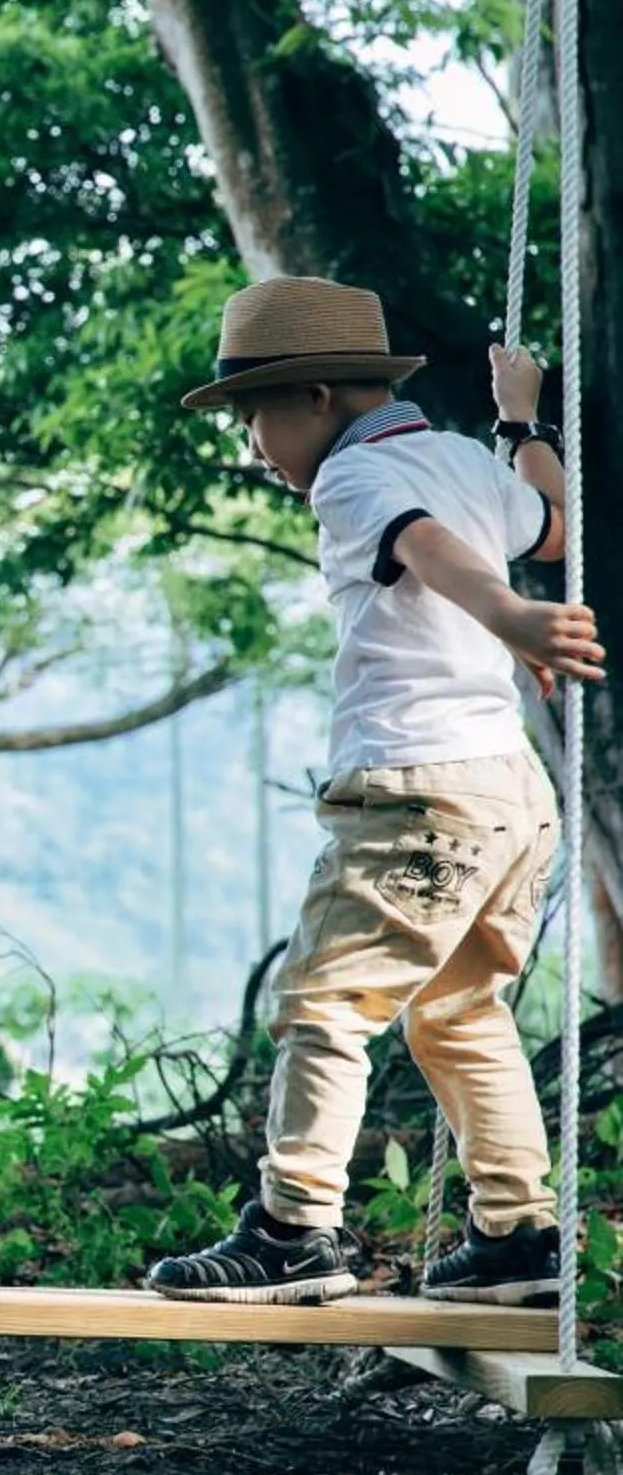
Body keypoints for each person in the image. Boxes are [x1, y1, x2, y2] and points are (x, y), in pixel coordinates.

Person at [148, 276, 600, 1305]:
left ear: (313, 397)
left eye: (255, 413)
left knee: (323, 1001)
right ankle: (519, 1234)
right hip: (508, 792)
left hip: (417, 788)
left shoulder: (354, 479)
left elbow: (425, 546)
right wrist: (521, 417)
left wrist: (509, 618)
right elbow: (556, 523)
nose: (253, 443)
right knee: (461, 1012)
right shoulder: (461, 458)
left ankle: (294, 1227)